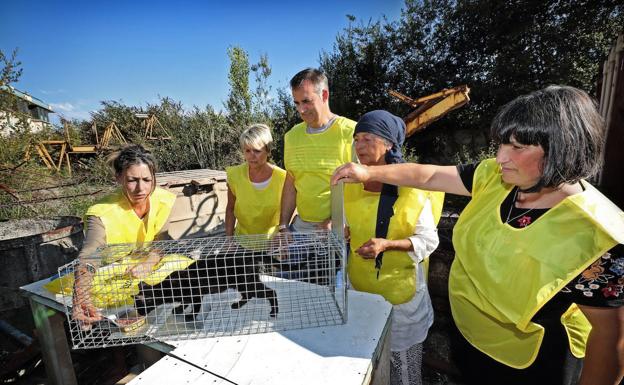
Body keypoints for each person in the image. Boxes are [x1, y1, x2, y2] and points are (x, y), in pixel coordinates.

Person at [332, 86, 624, 385]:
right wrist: (368, 174)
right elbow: (428, 176)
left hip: (529, 365)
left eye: (517, 147)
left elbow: (610, 340)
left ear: (564, 148)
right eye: (500, 145)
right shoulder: (494, 178)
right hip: (470, 342)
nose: (500, 158)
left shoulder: (598, 236)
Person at [344, 110, 444, 385]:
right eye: (356, 139)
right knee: (367, 358)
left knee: (403, 366)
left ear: (389, 144)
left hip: (402, 297)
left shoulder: (413, 188)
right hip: (361, 288)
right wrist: (344, 231)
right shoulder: (352, 184)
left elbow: (428, 241)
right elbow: (350, 224)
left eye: (368, 138)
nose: (360, 146)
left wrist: (387, 245)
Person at [68, 144, 191, 329]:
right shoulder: (101, 212)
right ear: (118, 178)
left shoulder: (163, 199)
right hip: (116, 271)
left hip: (148, 265)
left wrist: (149, 262)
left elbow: (162, 240)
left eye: (147, 180)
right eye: (132, 180)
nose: (141, 188)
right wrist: (81, 293)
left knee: (186, 267)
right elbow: (90, 255)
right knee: (104, 297)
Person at [279, 68, 356, 233]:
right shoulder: (291, 136)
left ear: (324, 95)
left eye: (306, 101)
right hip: (301, 226)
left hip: (340, 228)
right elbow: (291, 182)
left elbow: (364, 186)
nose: (301, 110)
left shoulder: (351, 132)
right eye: (297, 103)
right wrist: (283, 226)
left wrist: (338, 220)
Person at [225, 124, 286, 239]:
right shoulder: (235, 175)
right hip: (242, 243)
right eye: (247, 151)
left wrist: (282, 235)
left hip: (273, 244)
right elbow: (231, 209)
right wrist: (229, 240)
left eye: (257, 151)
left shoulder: (283, 178)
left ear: (268, 151)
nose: (251, 156)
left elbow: (290, 211)